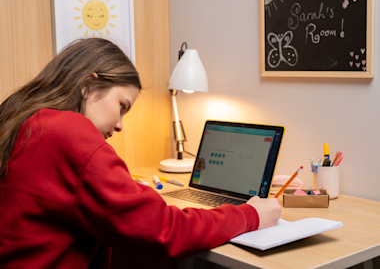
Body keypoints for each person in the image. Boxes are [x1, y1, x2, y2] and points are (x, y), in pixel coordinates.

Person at [0, 38, 281, 268]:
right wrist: (250, 215)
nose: (120, 125)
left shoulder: (25, 120)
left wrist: (126, 189)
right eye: (122, 106)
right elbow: (163, 230)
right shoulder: (68, 132)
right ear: (88, 85)